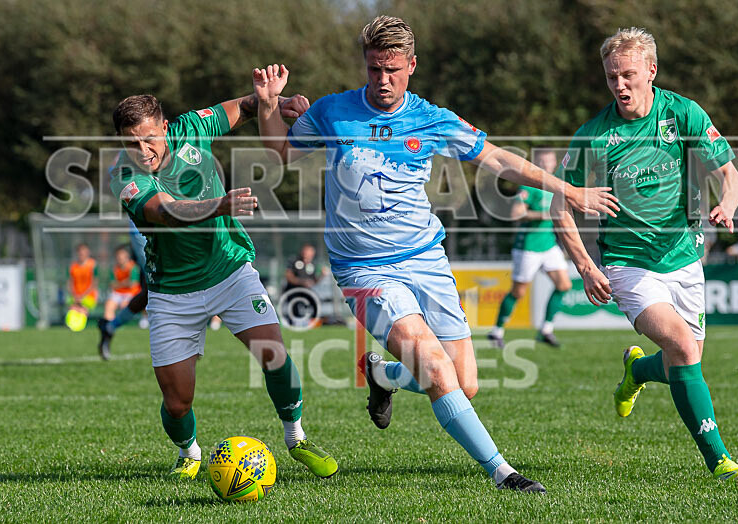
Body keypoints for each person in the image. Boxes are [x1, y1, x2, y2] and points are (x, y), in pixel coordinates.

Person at [255, 16, 619, 493]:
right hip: (363, 269)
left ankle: (382, 375)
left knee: (464, 383)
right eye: (372, 70)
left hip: (425, 259)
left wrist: (566, 189)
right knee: (433, 366)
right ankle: (502, 472)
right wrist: (266, 105)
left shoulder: (433, 119)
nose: (382, 80)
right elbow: (278, 151)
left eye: (391, 70)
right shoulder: (333, 111)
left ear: (411, 65)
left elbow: (499, 160)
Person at [550, 27, 738, 481]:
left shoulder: (682, 113)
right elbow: (558, 206)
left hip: (684, 257)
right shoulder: (595, 136)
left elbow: (730, 176)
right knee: (682, 347)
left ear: (651, 72)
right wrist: (585, 265)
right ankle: (718, 459)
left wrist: (727, 205)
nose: (619, 85)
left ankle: (637, 370)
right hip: (628, 265)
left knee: (688, 357)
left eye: (627, 75)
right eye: (611, 77)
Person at [109, 90, 338, 480]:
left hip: (230, 271)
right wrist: (218, 206)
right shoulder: (124, 175)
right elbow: (164, 212)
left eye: (149, 138)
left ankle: (296, 437)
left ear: (165, 127)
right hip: (172, 291)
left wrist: (273, 103)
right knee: (178, 402)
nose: (142, 149)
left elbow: (245, 107)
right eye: (131, 142)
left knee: (275, 355)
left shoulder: (192, 128)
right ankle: (189, 451)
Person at [488, 149, 572, 349]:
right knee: (518, 292)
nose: (546, 164)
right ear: (535, 162)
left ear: (554, 163)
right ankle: (496, 331)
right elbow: (516, 212)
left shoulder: (556, 185)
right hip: (528, 247)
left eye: (549, 161)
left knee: (564, 285)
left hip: (549, 245)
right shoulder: (529, 186)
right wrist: (543, 215)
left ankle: (546, 330)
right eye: (541, 161)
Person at [98, 219, 149, 359]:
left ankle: (109, 327)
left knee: (148, 294)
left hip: (160, 225)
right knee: (158, 284)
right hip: (144, 225)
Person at [67, 243, 98, 316]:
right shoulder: (73, 266)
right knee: (72, 309)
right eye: (80, 251)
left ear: (88, 252)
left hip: (89, 296)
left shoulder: (93, 265)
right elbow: (70, 283)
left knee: (82, 309)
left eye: (84, 251)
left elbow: (94, 284)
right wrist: (75, 295)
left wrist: (82, 296)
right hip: (75, 297)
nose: (81, 253)